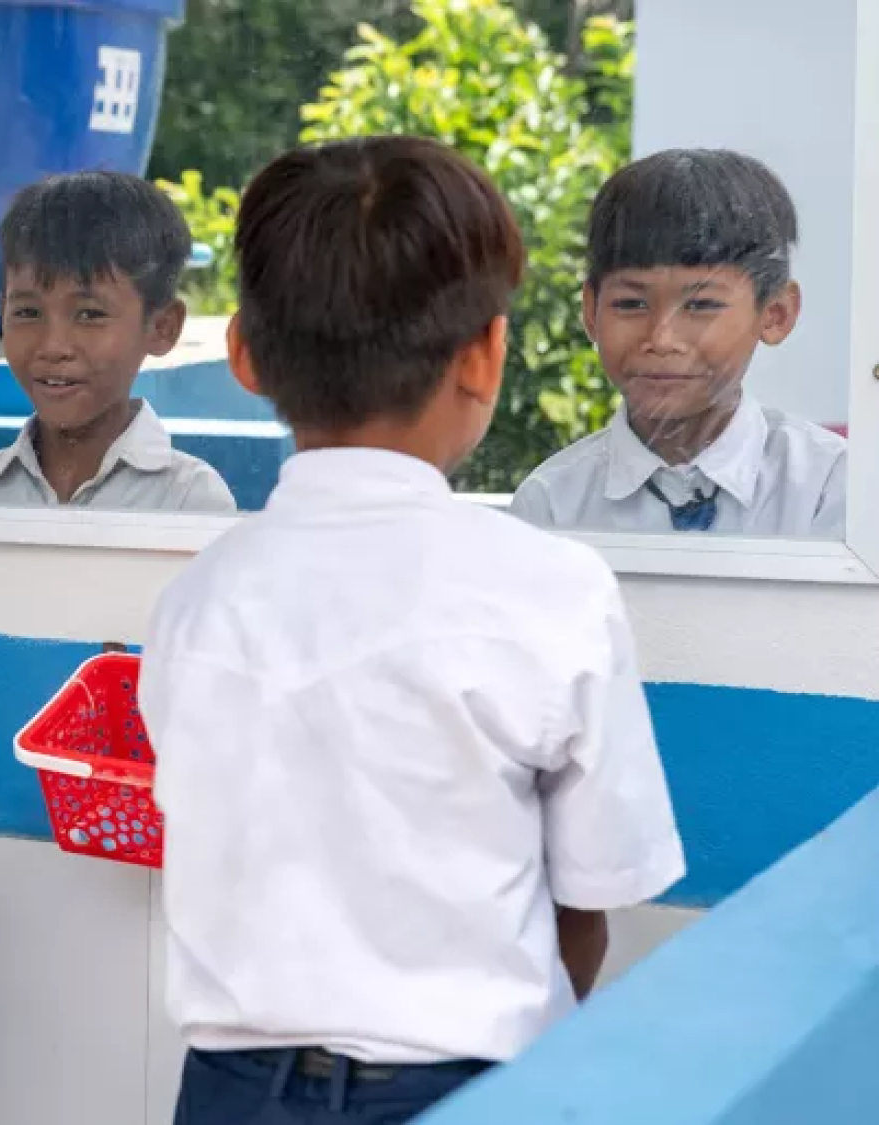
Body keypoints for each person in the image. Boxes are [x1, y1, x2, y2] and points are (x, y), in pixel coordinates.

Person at [139, 138, 685, 1125]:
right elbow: (592, 896)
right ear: (483, 354)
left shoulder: (196, 602)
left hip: (225, 1092)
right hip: (468, 1084)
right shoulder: (549, 590)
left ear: (243, 358)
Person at [511, 148, 846, 536]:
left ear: (775, 314)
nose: (661, 340)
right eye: (631, 303)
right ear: (591, 312)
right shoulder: (552, 504)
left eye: (701, 305)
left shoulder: (830, 488)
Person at [0, 172, 237, 511]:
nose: (53, 346)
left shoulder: (187, 501)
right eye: (28, 312)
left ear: (162, 327)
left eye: (89, 315)